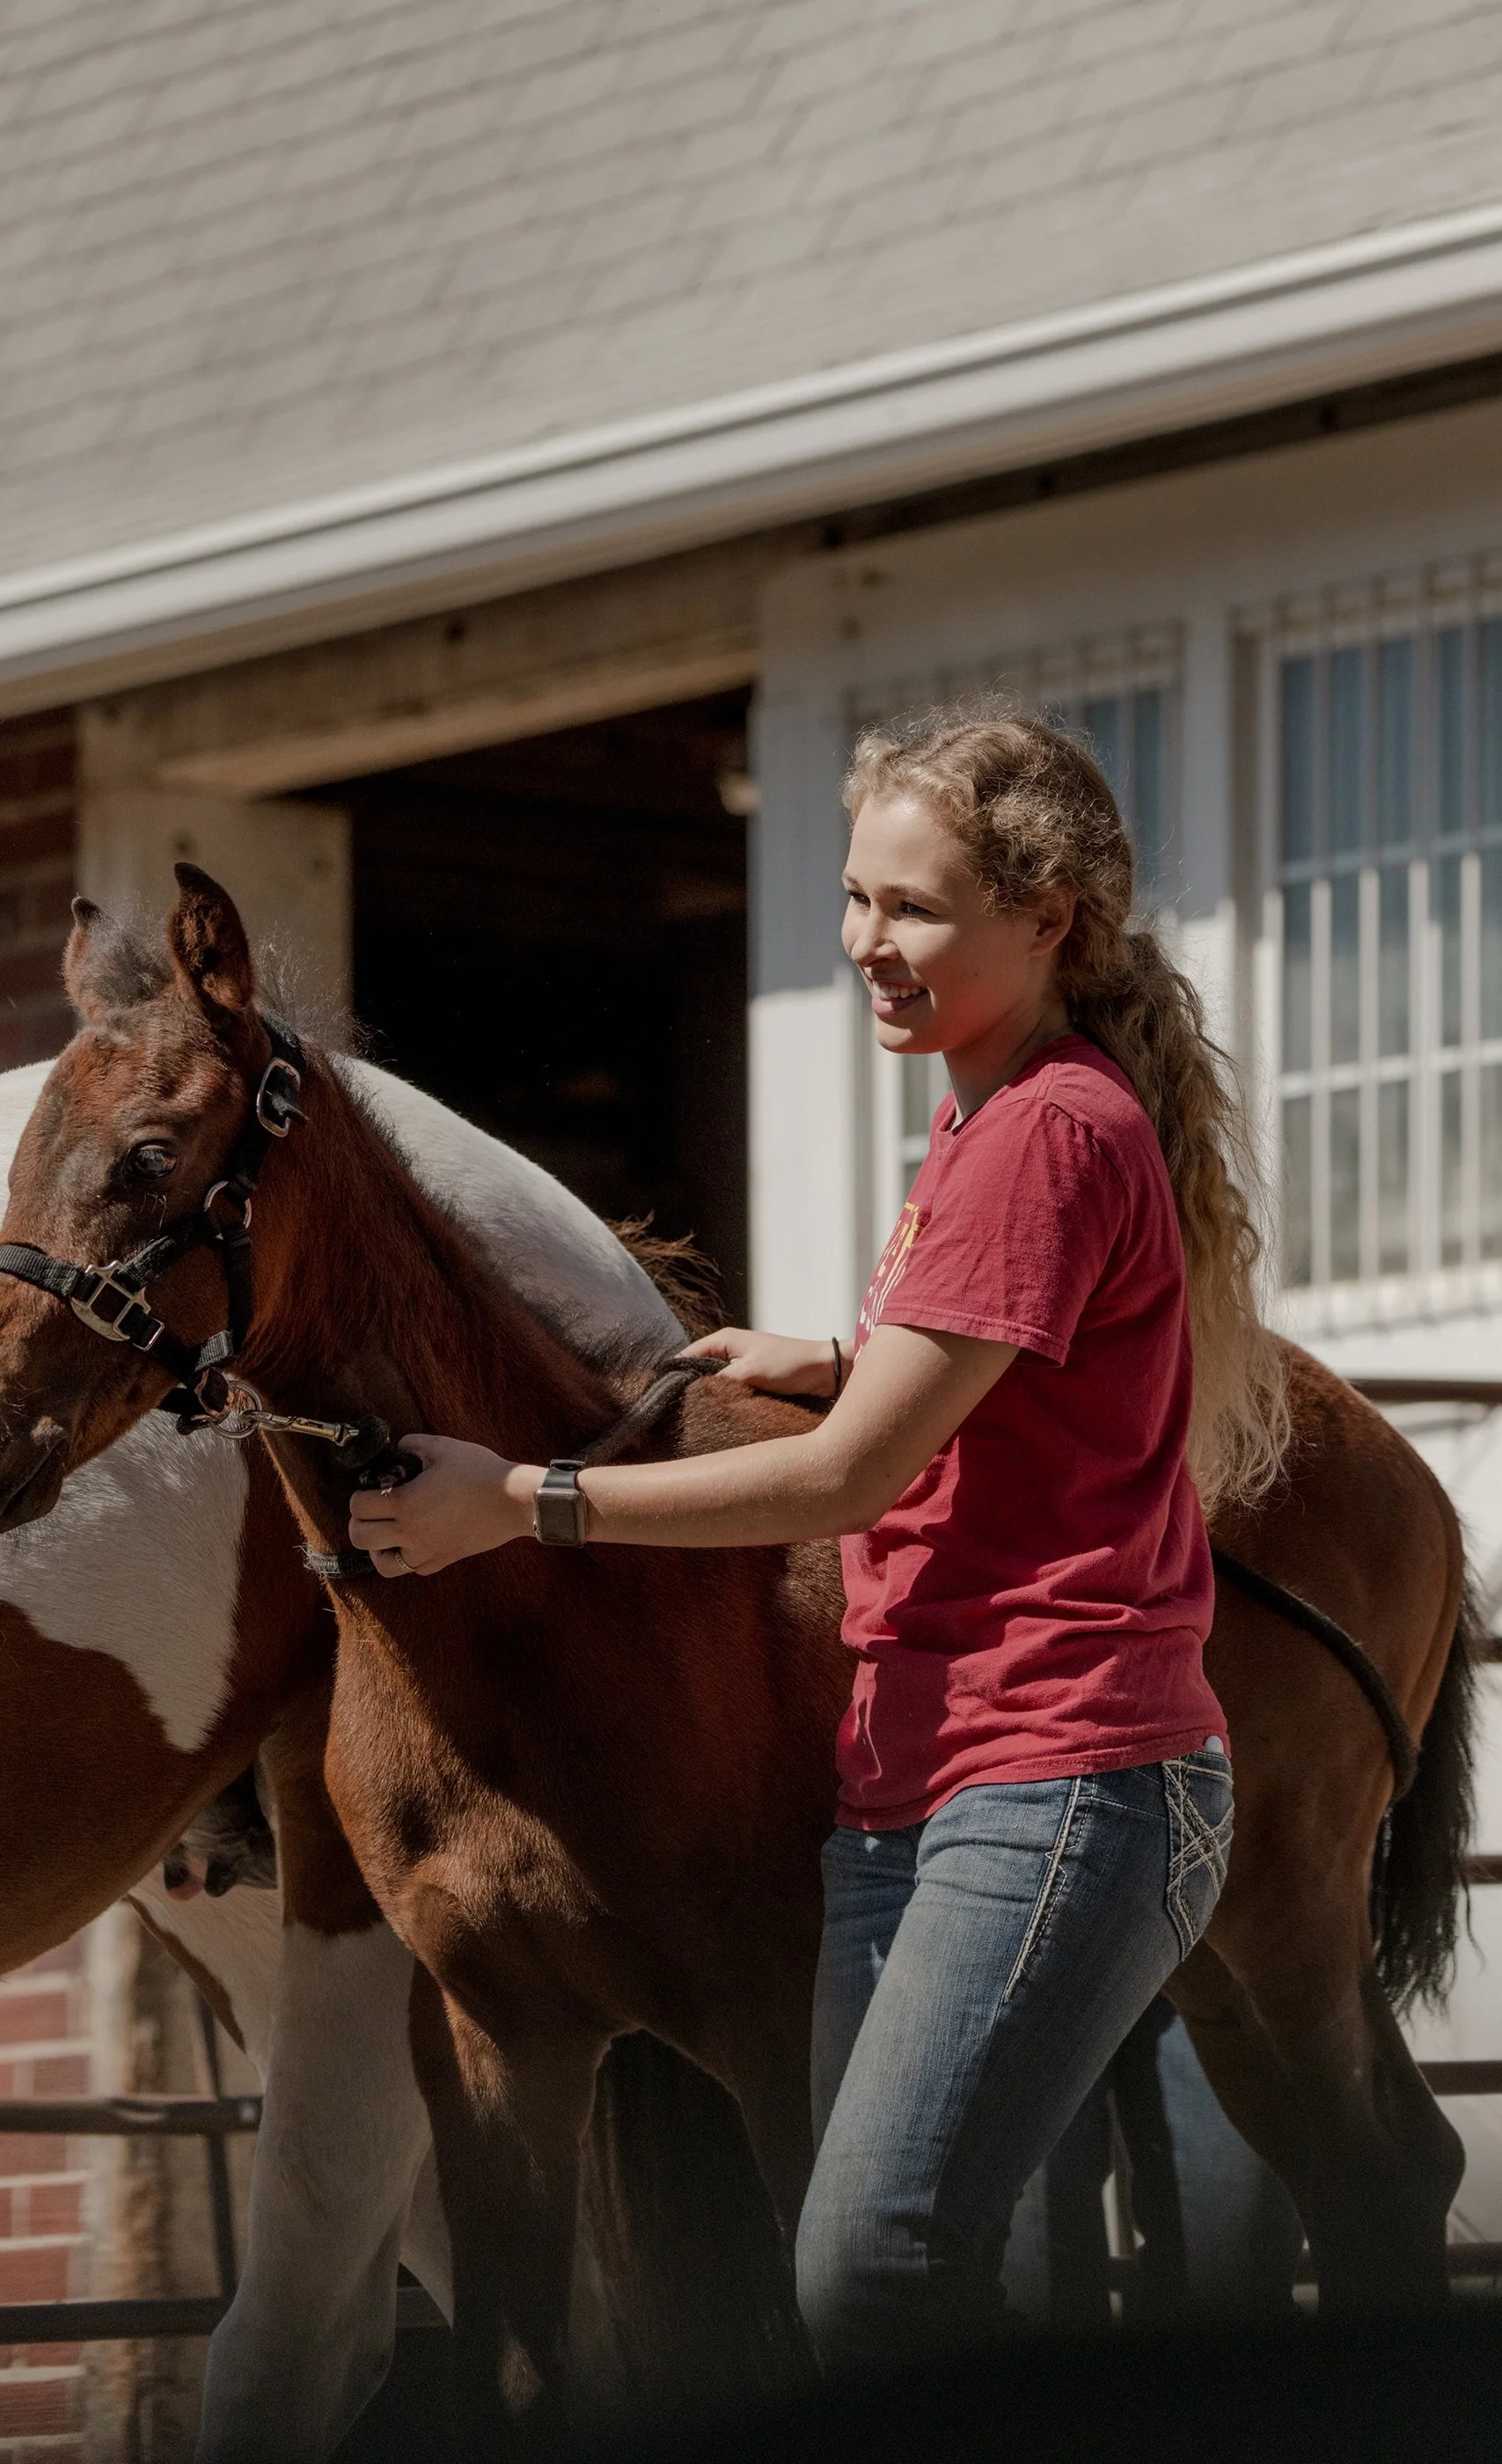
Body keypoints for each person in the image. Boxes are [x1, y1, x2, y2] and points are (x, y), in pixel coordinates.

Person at [348, 708, 1287, 2369]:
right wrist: (850, 1358)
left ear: (1048, 918)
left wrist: (520, 1503)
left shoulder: (1047, 1133)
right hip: (918, 1780)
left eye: (915, 907)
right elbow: (1002, 1387)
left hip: (1063, 1779)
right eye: (857, 896)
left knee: (876, 2268)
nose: (868, 942)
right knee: (886, 2304)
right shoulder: (985, 1116)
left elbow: (842, 1484)